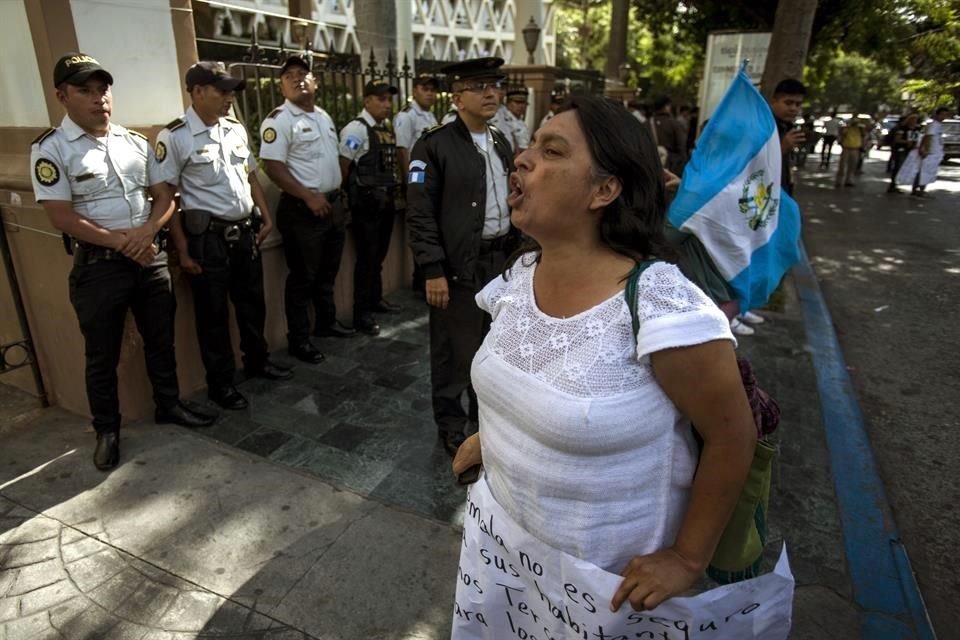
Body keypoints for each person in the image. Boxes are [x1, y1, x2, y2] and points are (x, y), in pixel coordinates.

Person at [450, 95, 756, 614]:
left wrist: (685, 558)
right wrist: (498, 435)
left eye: (551, 151)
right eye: (529, 147)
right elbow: (526, 381)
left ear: (605, 190)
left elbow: (733, 435)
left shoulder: (663, 306)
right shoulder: (518, 278)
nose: (522, 158)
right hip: (502, 557)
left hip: (604, 591)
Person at [30, 53, 216, 470]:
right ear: (62, 96)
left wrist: (148, 232)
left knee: (160, 338)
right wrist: (120, 242)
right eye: (85, 91)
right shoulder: (50, 149)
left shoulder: (134, 143)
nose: (99, 99)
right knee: (102, 354)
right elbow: (61, 215)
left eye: (103, 90)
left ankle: (169, 405)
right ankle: (107, 430)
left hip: (149, 257)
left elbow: (165, 197)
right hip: (100, 268)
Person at [156, 61, 292, 411]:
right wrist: (183, 250)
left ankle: (258, 361)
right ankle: (221, 383)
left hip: (246, 233)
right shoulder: (174, 136)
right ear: (197, 91)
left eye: (232, 91)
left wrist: (266, 216)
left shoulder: (233, 128)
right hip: (208, 239)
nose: (230, 98)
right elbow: (167, 196)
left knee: (252, 304)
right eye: (223, 90)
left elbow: (249, 176)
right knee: (213, 316)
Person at [406, 56, 516, 456]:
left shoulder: (501, 140)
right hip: (457, 268)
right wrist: (432, 269)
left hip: (499, 262)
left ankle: (481, 414)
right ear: (457, 97)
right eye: (479, 87)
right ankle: (451, 423)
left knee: (494, 344)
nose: (491, 93)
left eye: (495, 85)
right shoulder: (433, 144)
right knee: (454, 349)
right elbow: (419, 212)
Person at [260, 55, 349, 362]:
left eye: (303, 73)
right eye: (289, 76)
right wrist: (308, 196)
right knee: (303, 278)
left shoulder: (323, 116)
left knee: (327, 271)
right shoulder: (279, 120)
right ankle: (299, 339)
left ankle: (326, 323)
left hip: (331, 207)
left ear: (315, 82)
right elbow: (272, 166)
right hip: (302, 211)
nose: (297, 79)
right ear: (281, 86)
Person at [339, 81, 402, 336]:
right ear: (367, 101)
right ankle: (361, 314)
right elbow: (343, 165)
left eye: (389, 100)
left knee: (378, 256)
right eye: (381, 99)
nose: (387, 104)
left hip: (383, 203)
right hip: (365, 205)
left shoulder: (382, 129)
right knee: (366, 260)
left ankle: (375, 300)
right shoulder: (357, 130)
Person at [896, 106, 953, 197]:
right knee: (925, 171)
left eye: (945, 115)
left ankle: (919, 190)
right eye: (942, 114)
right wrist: (925, 149)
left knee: (927, 171)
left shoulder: (939, 125)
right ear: (937, 115)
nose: (944, 117)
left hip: (936, 152)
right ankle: (919, 190)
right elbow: (927, 137)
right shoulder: (933, 125)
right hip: (930, 152)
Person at [394, 72, 439, 174]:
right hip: (416, 174)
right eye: (425, 89)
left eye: (432, 90)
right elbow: (402, 150)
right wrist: (408, 182)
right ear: (414, 91)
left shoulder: (431, 116)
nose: (429, 93)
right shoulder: (407, 115)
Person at [769, 78, 806, 197]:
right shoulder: (764, 127)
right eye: (788, 103)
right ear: (775, 100)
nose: (793, 108)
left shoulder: (787, 127)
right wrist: (782, 148)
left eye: (798, 104)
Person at [887, 113, 922, 193]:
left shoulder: (917, 129)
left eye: (915, 120)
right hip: (901, 149)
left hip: (912, 151)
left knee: (911, 168)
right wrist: (906, 142)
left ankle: (913, 186)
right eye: (912, 120)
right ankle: (893, 185)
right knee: (898, 167)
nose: (914, 122)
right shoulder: (902, 128)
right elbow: (897, 139)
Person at [652, 95, 686, 174]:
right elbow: (681, 148)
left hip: (650, 167)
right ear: (667, 106)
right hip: (670, 169)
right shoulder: (674, 124)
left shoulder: (645, 124)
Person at [835, 116, 865, 188]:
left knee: (852, 166)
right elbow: (841, 133)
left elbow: (865, 133)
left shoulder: (860, 130)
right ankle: (839, 180)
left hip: (855, 149)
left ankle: (849, 180)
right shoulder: (847, 129)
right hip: (846, 148)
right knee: (842, 165)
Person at [503, 85, 532, 153]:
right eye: (517, 102)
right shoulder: (504, 121)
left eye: (524, 103)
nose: (521, 106)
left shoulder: (520, 121)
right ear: (508, 103)